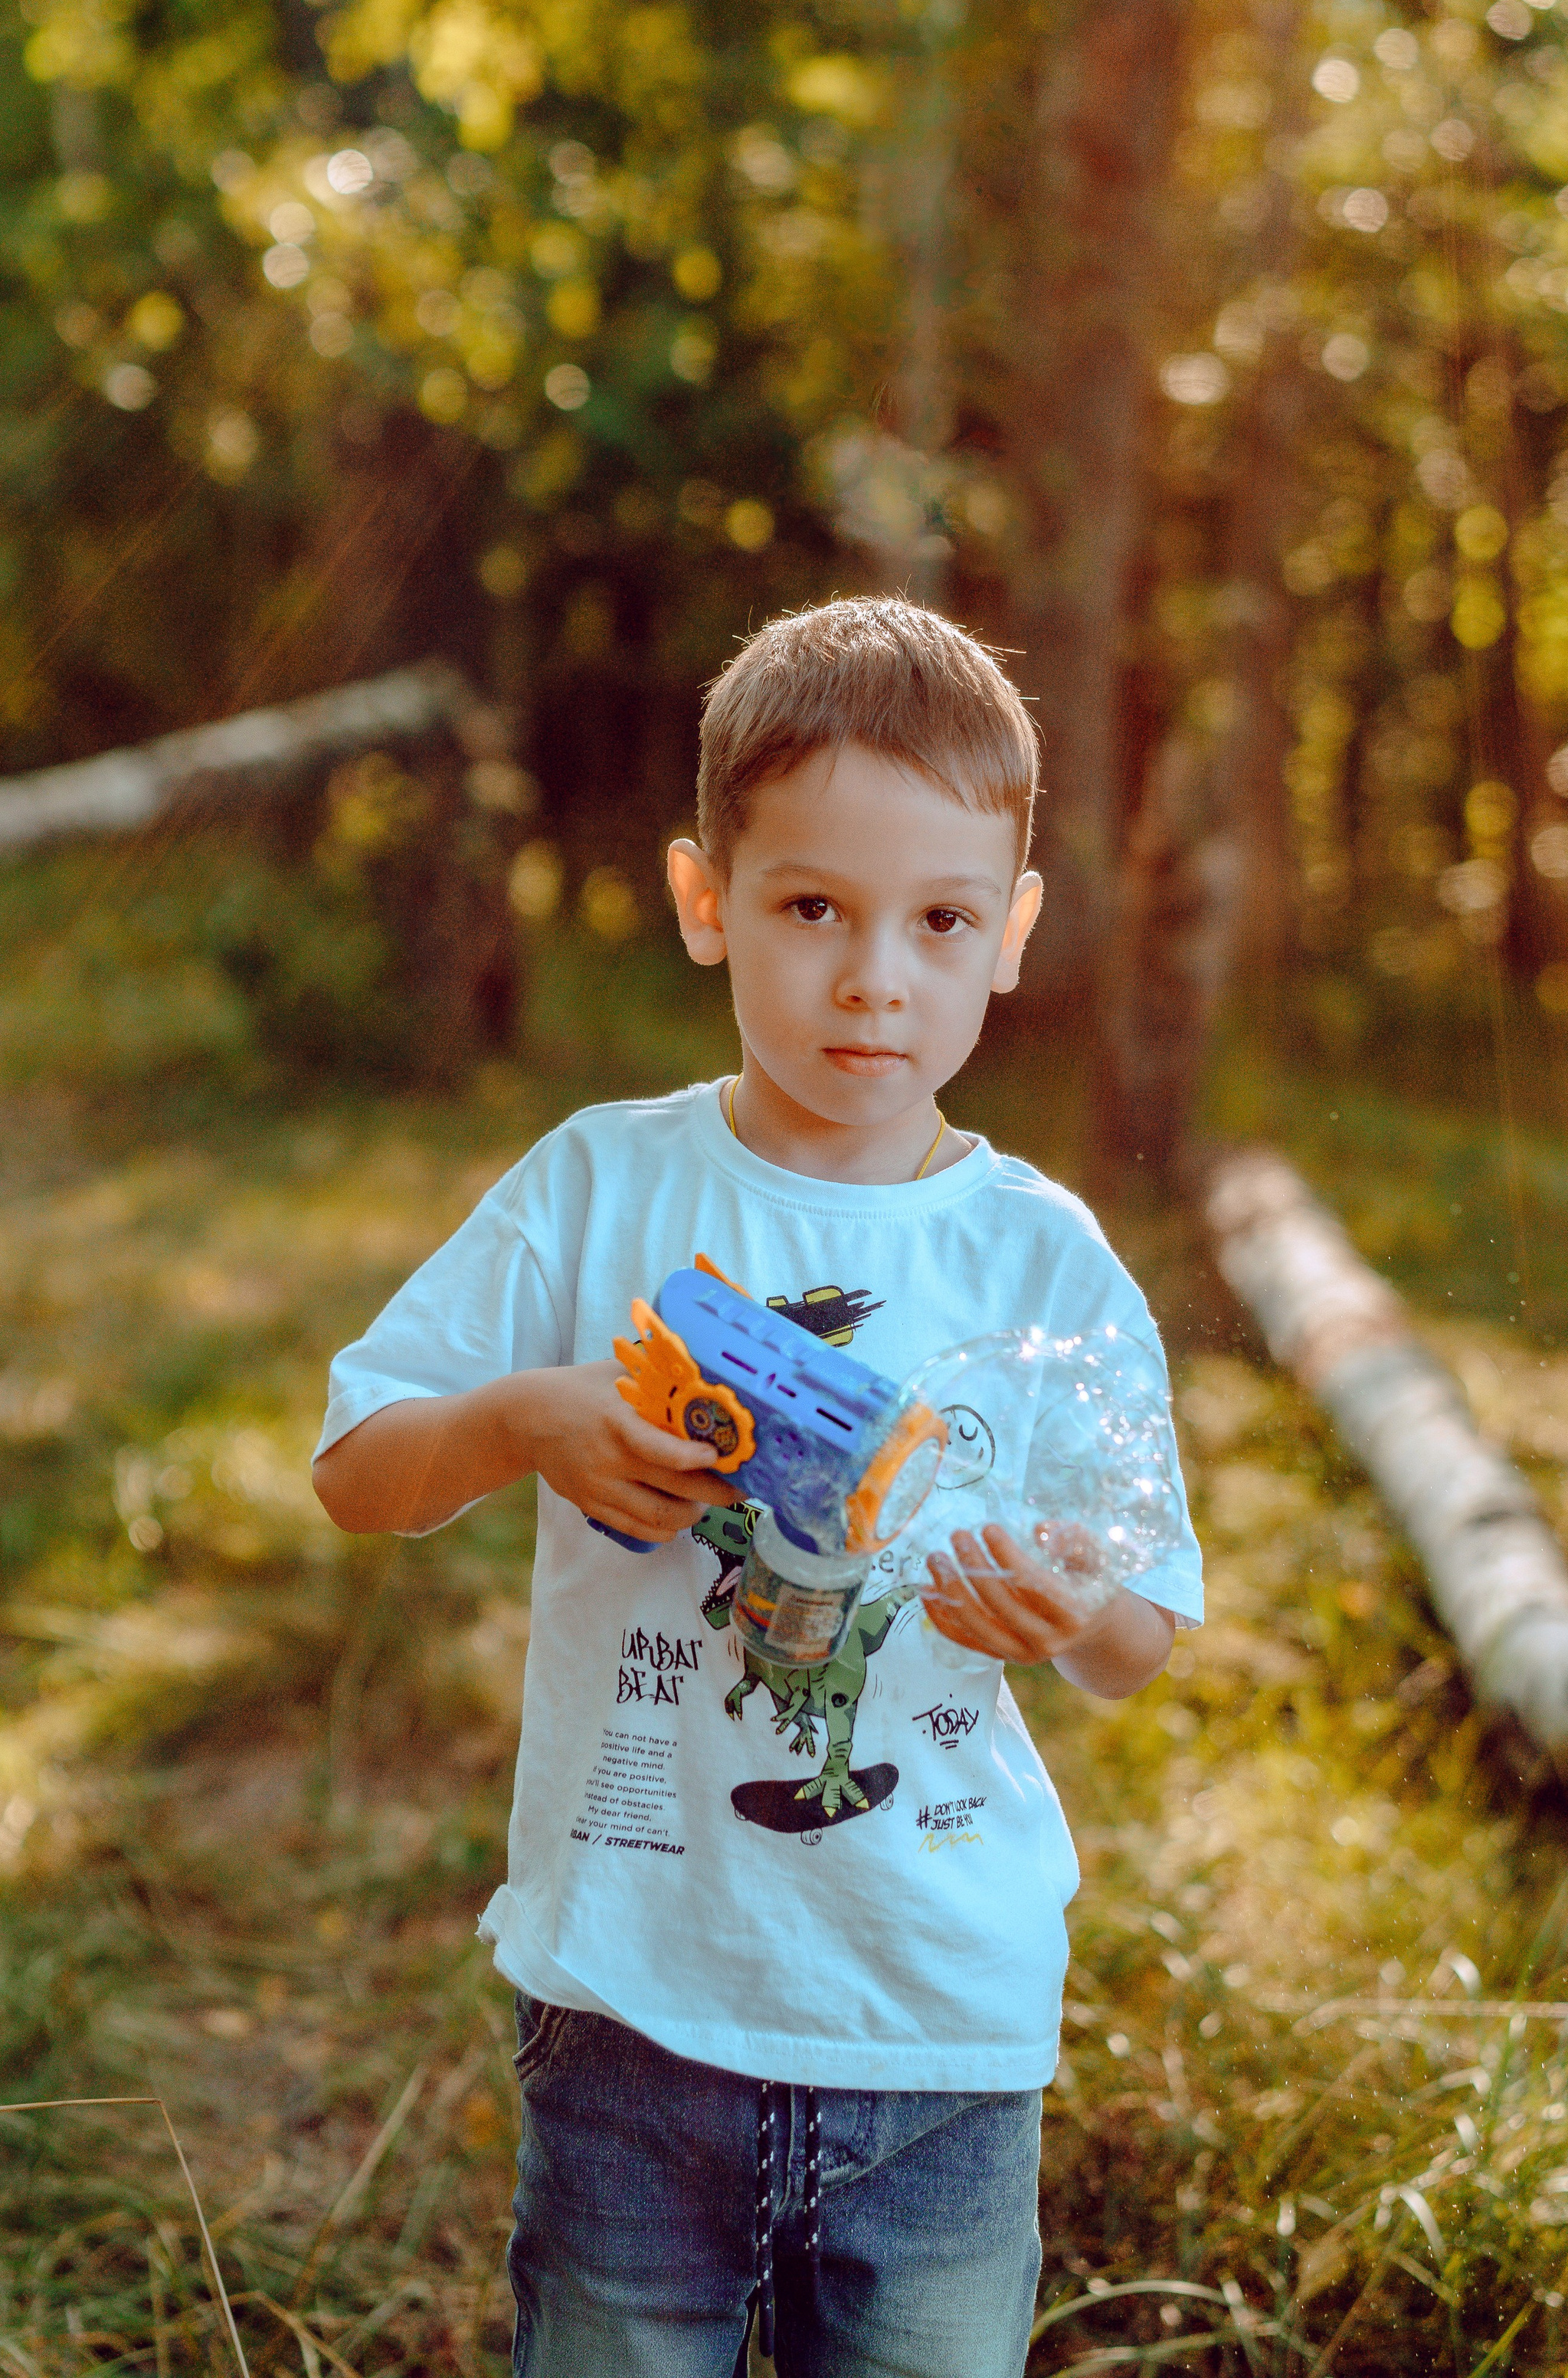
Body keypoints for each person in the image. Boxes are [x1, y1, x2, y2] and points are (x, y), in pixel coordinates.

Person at [310, 597, 1203, 2378]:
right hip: (637, 2009)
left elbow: (1136, 1635)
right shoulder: (595, 1188)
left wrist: (1070, 1610)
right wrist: (527, 1418)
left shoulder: (1043, 1260)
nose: (876, 976)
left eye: (940, 919)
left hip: (939, 2033)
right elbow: (358, 1470)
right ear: (706, 900)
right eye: (812, 909)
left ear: (1010, 934)